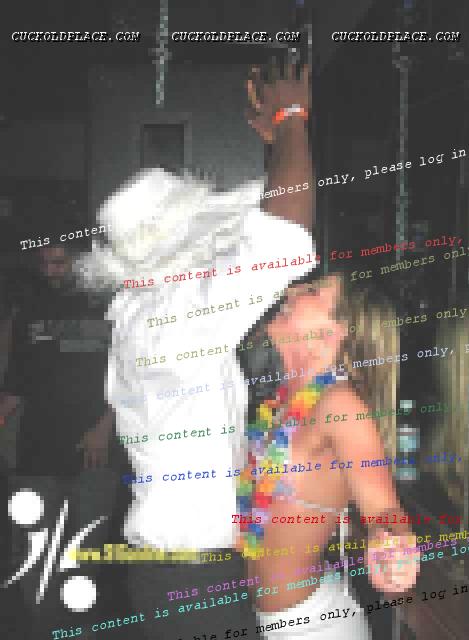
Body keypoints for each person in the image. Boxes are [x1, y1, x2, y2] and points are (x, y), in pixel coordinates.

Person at [75, 63, 316, 638]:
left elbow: (264, 239)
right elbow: (284, 239)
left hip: (177, 568)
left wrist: (280, 144)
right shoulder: (174, 316)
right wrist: (291, 119)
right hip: (192, 577)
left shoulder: (145, 309)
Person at [237, 273, 419, 638]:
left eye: (311, 290)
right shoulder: (279, 402)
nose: (290, 289)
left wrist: (392, 544)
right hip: (265, 621)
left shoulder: (339, 404)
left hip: (314, 627)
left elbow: (383, 509)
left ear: (340, 329)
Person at [0, 243, 116, 636]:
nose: (50, 271)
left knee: (84, 553)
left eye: (59, 262)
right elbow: (17, 384)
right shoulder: (29, 310)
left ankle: (76, 630)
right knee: (31, 549)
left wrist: (104, 426)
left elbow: (131, 376)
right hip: (36, 448)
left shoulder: (111, 305)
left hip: (95, 451)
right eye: (43, 263)